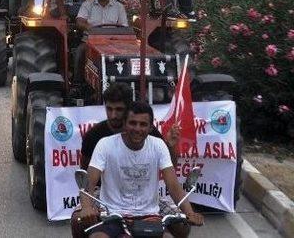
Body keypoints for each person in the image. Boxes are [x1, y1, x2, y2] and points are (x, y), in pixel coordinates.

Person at [79, 101, 204, 237]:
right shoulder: (105, 145)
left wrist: (189, 212)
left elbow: (173, 185)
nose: (138, 129)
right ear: (124, 124)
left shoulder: (158, 145)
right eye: (133, 123)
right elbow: (89, 182)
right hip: (112, 213)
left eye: (143, 124)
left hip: (149, 214)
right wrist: (86, 207)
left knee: (176, 232)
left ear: (151, 127)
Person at [73, 0, 128, 83]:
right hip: (90, 42)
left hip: (113, 43)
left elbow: (124, 27)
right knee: (79, 52)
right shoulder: (87, 5)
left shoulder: (119, 7)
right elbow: (79, 21)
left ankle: (123, 82)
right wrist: (93, 29)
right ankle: (77, 84)